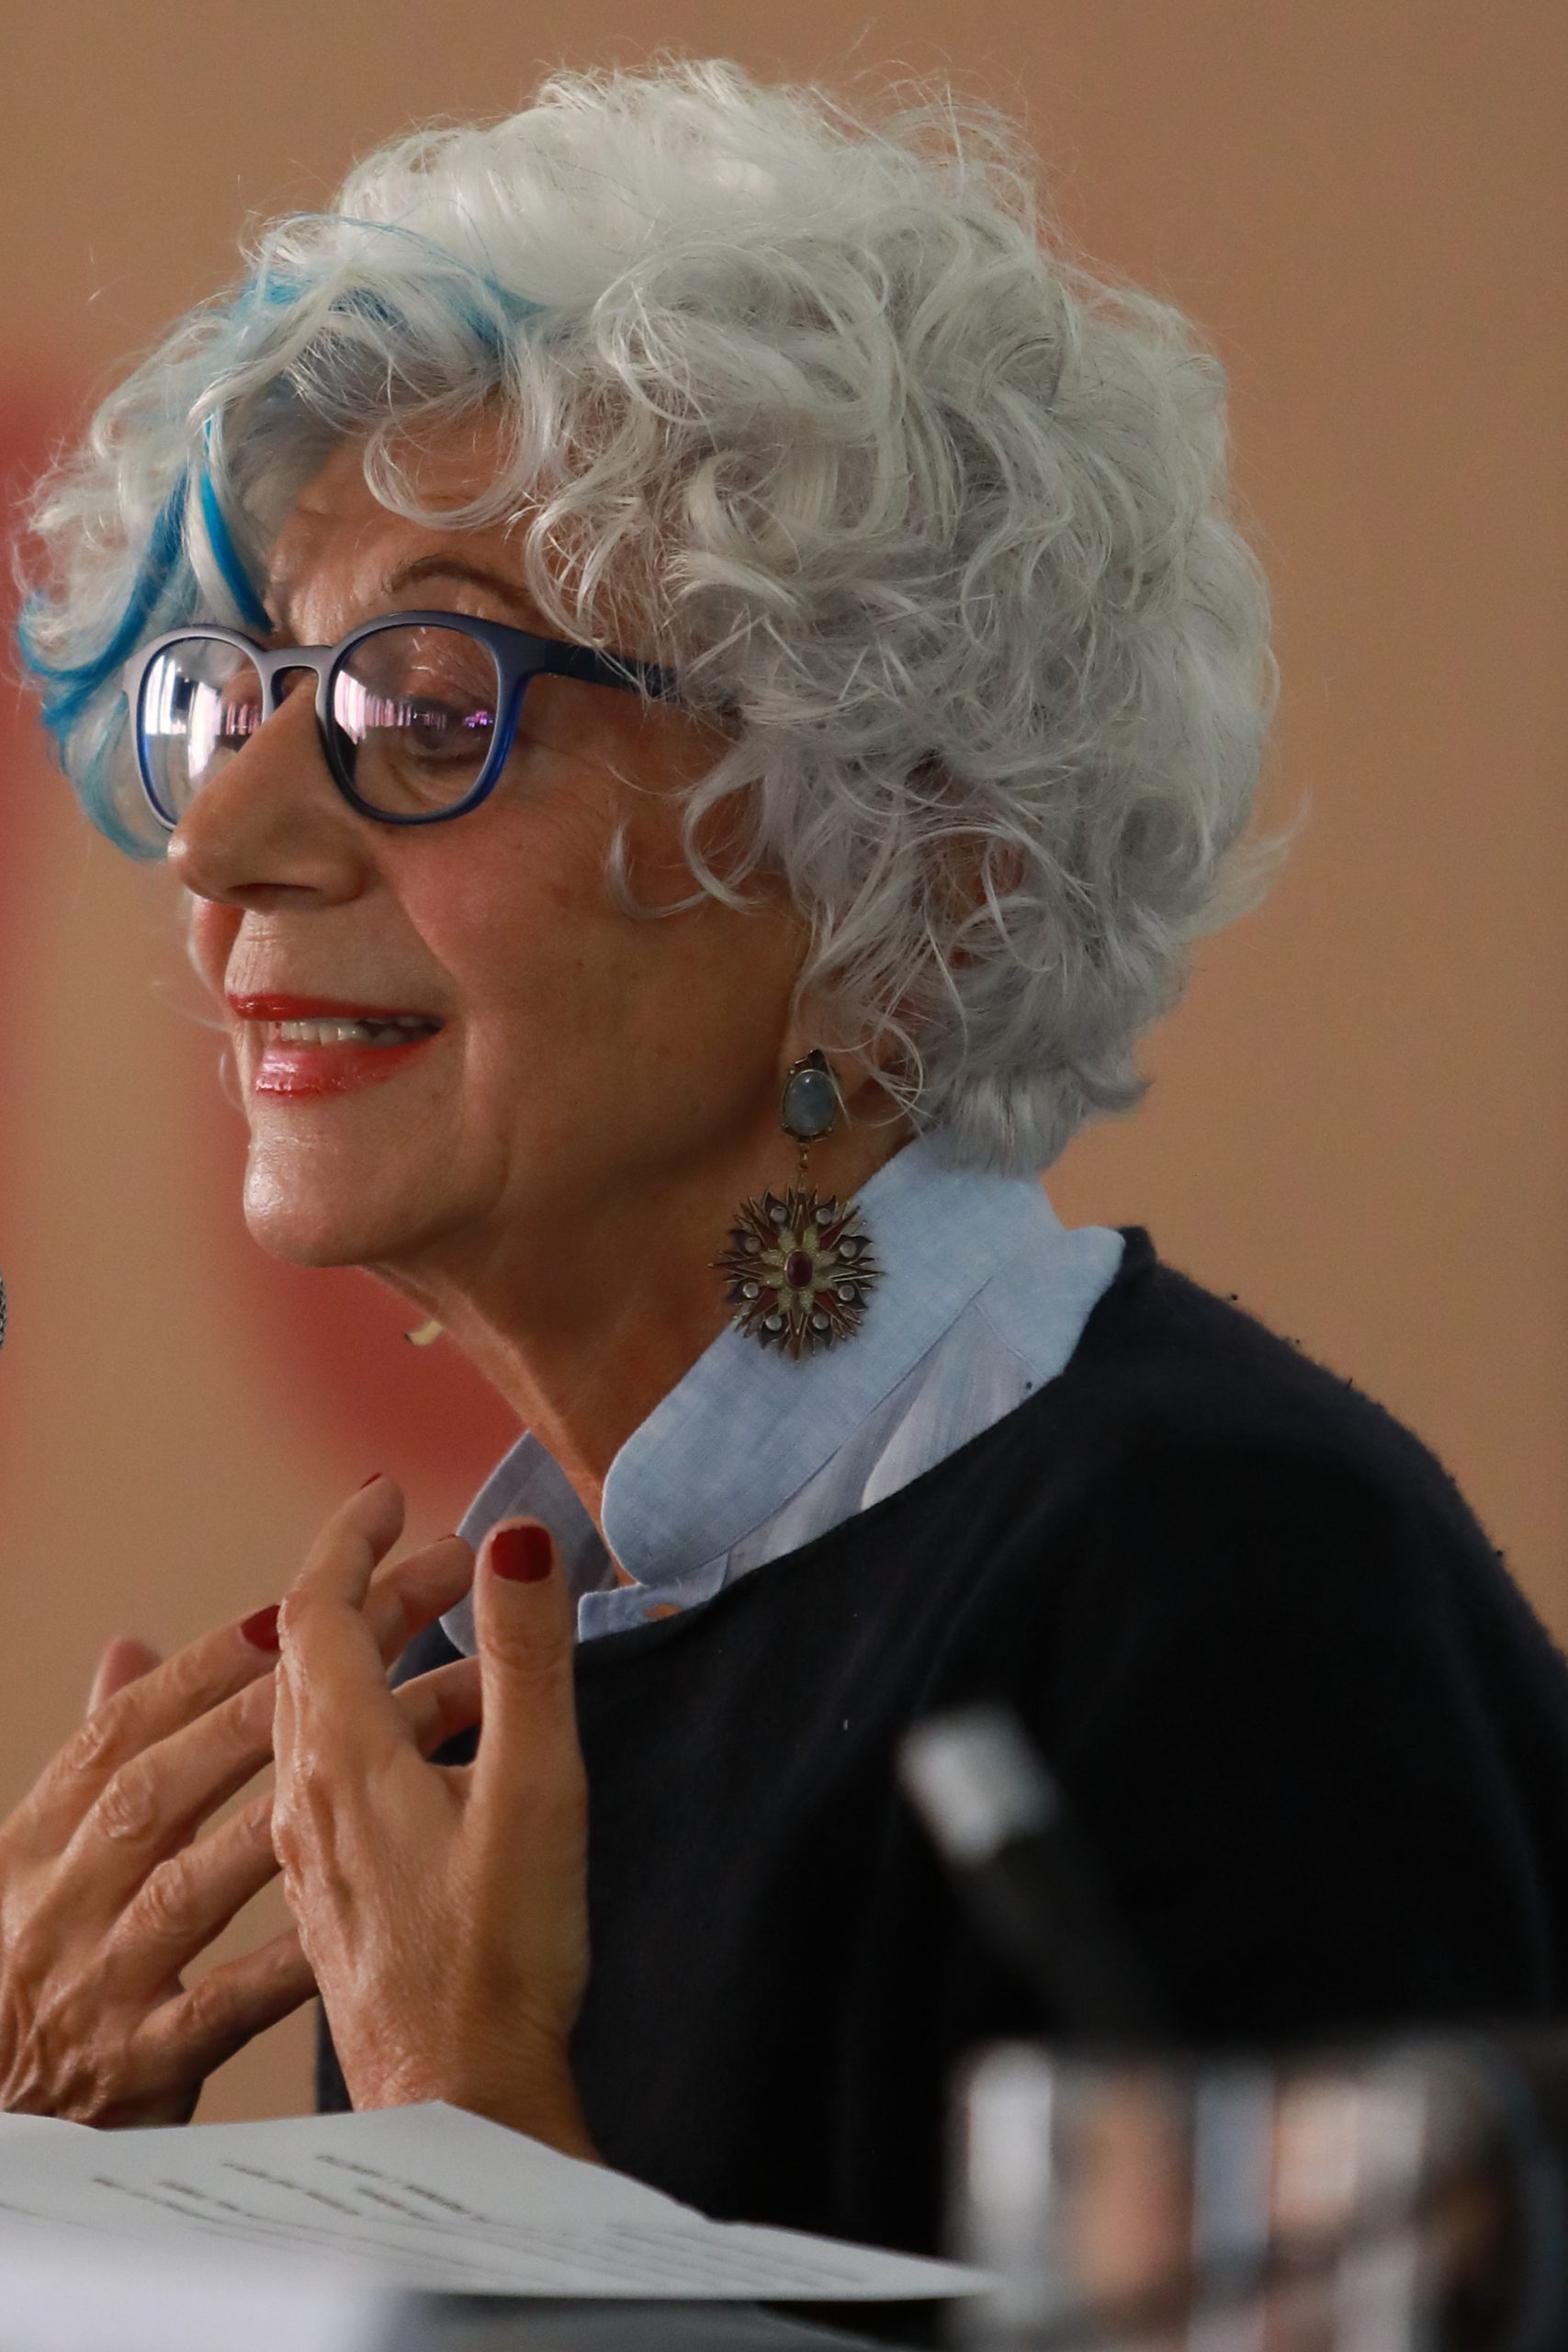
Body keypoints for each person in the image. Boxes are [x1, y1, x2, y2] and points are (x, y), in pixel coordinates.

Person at [9, 58, 1568, 2259]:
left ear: (899, 876)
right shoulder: (498, 1687)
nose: (224, 838)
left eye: (426, 704)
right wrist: (50, 2192)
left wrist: (469, 2147)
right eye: (241, 699)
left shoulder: (1225, 1587)